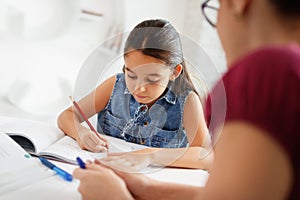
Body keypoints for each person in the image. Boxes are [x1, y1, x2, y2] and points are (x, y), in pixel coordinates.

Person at [72, 0, 300, 199]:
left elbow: (206, 157)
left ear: (240, 2)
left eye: (216, 7)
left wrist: (113, 196)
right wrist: (147, 187)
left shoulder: (270, 73)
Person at [57, 19, 213, 170]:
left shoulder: (187, 101)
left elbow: (206, 154)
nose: (139, 88)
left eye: (152, 79)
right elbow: (67, 115)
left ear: (174, 72)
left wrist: (151, 155)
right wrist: (81, 133)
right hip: (105, 171)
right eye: (131, 75)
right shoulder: (114, 86)